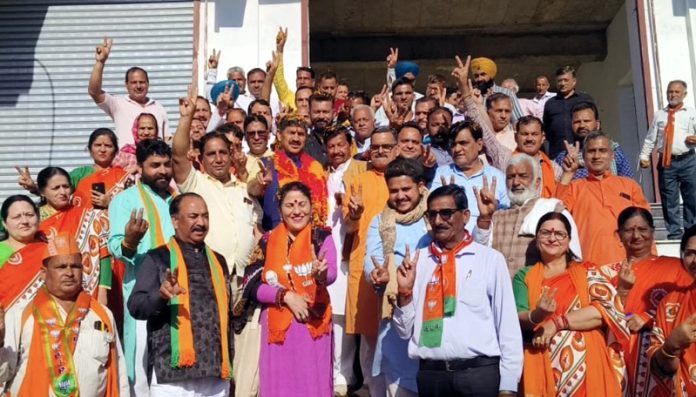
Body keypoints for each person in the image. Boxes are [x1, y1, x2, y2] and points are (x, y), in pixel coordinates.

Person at [392, 184, 523, 396]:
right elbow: (404, 331)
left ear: (465, 216)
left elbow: (507, 326)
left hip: (479, 375)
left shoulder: (489, 259)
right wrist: (404, 294)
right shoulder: (419, 261)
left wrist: (508, 385)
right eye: (432, 214)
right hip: (432, 377)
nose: (438, 221)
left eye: (446, 213)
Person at [512, 212, 629, 396]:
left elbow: (604, 311)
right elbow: (519, 318)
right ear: (536, 241)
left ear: (568, 242)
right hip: (544, 366)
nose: (552, 238)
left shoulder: (587, 270)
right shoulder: (524, 276)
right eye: (545, 233)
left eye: (559, 234)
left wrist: (555, 323)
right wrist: (538, 315)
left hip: (590, 369)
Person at [128, 193, 233, 396]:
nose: (201, 223)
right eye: (193, 216)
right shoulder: (158, 258)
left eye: (205, 216)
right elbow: (136, 306)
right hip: (171, 374)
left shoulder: (218, 261)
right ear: (175, 221)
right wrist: (161, 296)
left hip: (215, 372)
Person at [238, 182, 336, 396]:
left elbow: (331, 274)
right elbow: (252, 285)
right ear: (280, 210)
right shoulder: (267, 241)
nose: (297, 211)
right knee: (280, 386)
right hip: (278, 331)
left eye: (302, 204)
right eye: (290, 205)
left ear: (312, 207)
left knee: (313, 384)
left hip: (314, 327)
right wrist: (285, 296)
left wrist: (320, 276)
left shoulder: (321, 238)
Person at [0, 233, 129, 396]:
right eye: (61, 267)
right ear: (43, 274)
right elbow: (2, 375)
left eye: (75, 266)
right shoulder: (21, 314)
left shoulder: (101, 315)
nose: (69, 273)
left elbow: (119, 374)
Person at [599, 207, 692, 397]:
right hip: (615, 355)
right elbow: (598, 313)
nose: (636, 236)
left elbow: (688, 306)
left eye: (643, 229)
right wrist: (623, 295)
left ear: (652, 232)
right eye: (629, 230)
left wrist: (648, 318)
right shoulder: (605, 273)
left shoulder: (674, 267)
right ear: (619, 235)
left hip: (660, 356)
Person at [172, 91, 261, 289]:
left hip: (244, 282)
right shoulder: (195, 184)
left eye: (223, 153)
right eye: (211, 154)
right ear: (201, 159)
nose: (218, 159)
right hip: (208, 278)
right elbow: (178, 155)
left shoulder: (243, 188)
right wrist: (186, 118)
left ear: (231, 155)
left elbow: (256, 232)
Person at [107, 139, 176, 395]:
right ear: (140, 166)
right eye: (155, 165)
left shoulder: (177, 199)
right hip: (143, 294)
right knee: (143, 368)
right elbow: (115, 248)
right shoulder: (125, 201)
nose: (162, 171)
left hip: (179, 296)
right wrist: (130, 240)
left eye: (166, 165)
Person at [364, 158, 431, 396]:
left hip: (433, 311)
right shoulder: (380, 222)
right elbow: (370, 261)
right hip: (395, 316)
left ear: (420, 186)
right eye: (394, 191)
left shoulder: (434, 217)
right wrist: (378, 276)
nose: (400, 196)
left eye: (406, 189)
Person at [451, 55, 562, 198]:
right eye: (524, 134)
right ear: (516, 136)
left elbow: (563, 197)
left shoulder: (554, 169)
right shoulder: (504, 158)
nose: (529, 138)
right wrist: (466, 92)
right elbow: (484, 131)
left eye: (534, 134)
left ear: (543, 138)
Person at [343, 127, 400, 396]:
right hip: (365, 262)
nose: (379, 151)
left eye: (386, 147)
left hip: (399, 263)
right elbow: (350, 226)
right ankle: (369, 386)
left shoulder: (403, 180)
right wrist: (355, 214)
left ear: (396, 149)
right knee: (368, 332)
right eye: (375, 146)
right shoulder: (359, 180)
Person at [473, 153, 581, 277]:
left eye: (523, 176)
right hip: (500, 291)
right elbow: (479, 252)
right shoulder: (496, 215)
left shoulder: (553, 210)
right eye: (510, 177)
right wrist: (485, 218)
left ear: (537, 182)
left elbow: (575, 257)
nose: (516, 182)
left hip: (538, 291)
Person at [556, 131, 650, 265]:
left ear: (612, 156)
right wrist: (568, 174)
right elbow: (556, 213)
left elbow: (645, 227)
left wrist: (651, 261)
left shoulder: (630, 186)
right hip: (589, 268)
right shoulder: (574, 187)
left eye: (602, 151)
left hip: (629, 266)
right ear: (583, 156)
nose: (596, 156)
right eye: (591, 151)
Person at [325, 127, 367, 395]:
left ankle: (348, 375)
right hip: (331, 249)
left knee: (353, 314)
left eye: (341, 145)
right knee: (337, 315)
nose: (337, 151)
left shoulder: (361, 170)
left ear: (351, 145)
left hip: (354, 249)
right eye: (332, 147)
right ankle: (338, 373)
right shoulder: (325, 174)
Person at [35, 167, 111, 299]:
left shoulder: (87, 215)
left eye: (66, 186)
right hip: (44, 289)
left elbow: (104, 254)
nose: (63, 192)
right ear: (42, 192)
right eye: (56, 188)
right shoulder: (34, 221)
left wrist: (103, 290)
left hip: (86, 288)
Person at [250, 113, 328, 231]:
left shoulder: (316, 167)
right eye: (291, 133)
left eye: (300, 134)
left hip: (310, 239)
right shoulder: (266, 164)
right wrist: (260, 183)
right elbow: (251, 190)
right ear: (280, 136)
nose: (296, 139)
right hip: (275, 238)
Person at [639, 80, 696, 240]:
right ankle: (675, 234)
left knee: (692, 197)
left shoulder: (691, 113)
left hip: (688, 160)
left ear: (684, 94)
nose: (673, 95)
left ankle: (692, 233)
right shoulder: (660, 114)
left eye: (677, 92)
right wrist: (644, 156)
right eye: (670, 91)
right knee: (669, 199)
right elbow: (651, 138)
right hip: (666, 162)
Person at [431, 120, 509, 231]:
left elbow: (507, 215)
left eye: (463, 143)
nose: (457, 149)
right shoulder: (440, 174)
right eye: (453, 144)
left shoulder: (498, 178)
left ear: (479, 145)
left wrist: (493, 210)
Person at [88, 37, 169, 146]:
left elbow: (167, 139)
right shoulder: (117, 103)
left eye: (142, 82)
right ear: (126, 85)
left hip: (152, 161)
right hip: (126, 161)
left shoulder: (158, 107)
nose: (139, 86)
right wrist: (100, 62)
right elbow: (94, 92)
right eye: (134, 82)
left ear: (148, 84)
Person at [647, 225, 696, 396]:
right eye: (690, 253)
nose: (695, 260)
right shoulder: (671, 303)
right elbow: (660, 369)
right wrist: (672, 346)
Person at [554, 101, 634, 179]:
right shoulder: (563, 158)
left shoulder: (614, 152)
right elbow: (559, 189)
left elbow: (629, 185)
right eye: (577, 122)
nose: (582, 125)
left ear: (597, 124)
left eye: (586, 121)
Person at [0, 195, 47, 310]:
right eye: (17, 217)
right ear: (4, 223)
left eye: (30, 215)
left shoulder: (49, 250)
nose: (25, 221)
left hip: (45, 320)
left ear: (38, 217)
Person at [543, 66, 595, 158]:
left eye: (566, 80)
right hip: (557, 154)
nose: (562, 83)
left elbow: (595, 124)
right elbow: (547, 131)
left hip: (583, 152)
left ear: (574, 81)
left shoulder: (585, 99)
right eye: (559, 81)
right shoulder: (550, 104)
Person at [470, 56, 524, 123]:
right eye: (476, 76)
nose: (479, 79)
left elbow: (518, 120)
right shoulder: (472, 95)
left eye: (483, 74)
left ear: (491, 75)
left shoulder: (507, 93)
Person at [305, 92, 335, 166]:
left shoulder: (345, 140)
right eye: (317, 112)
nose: (321, 116)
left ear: (334, 113)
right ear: (309, 114)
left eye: (325, 112)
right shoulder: (303, 142)